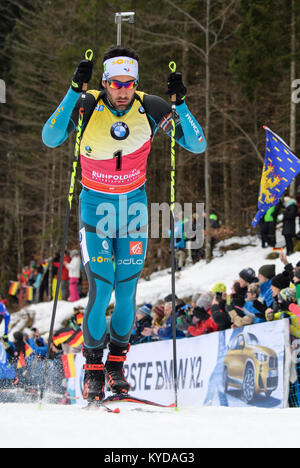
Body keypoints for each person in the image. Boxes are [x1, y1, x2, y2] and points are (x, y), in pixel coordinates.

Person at [42, 45, 206, 403]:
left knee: (127, 291)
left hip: (132, 210)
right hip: (94, 208)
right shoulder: (87, 105)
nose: (122, 91)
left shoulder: (150, 106)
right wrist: (73, 91)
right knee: (101, 290)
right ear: (104, 82)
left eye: (128, 84)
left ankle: (116, 364)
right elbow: (51, 137)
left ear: (135, 83)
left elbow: (196, 144)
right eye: (115, 84)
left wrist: (180, 104)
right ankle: (93, 368)